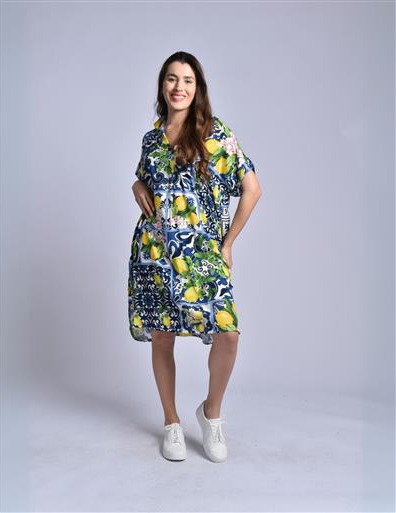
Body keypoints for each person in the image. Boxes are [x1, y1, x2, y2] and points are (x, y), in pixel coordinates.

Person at [128, 51, 262, 462]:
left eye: (187, 80)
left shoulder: (215, 134)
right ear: (162, 86)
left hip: (202, 254)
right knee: (162, 336)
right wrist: (137, 185)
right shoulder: (152, 138)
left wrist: (228, 243)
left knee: (228, 333)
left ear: (198, 88)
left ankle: (211, 414)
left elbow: (252, 189)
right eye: (171, 78)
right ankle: (171, 423)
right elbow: (145, 180)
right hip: (155, 252)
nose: (179, 87)